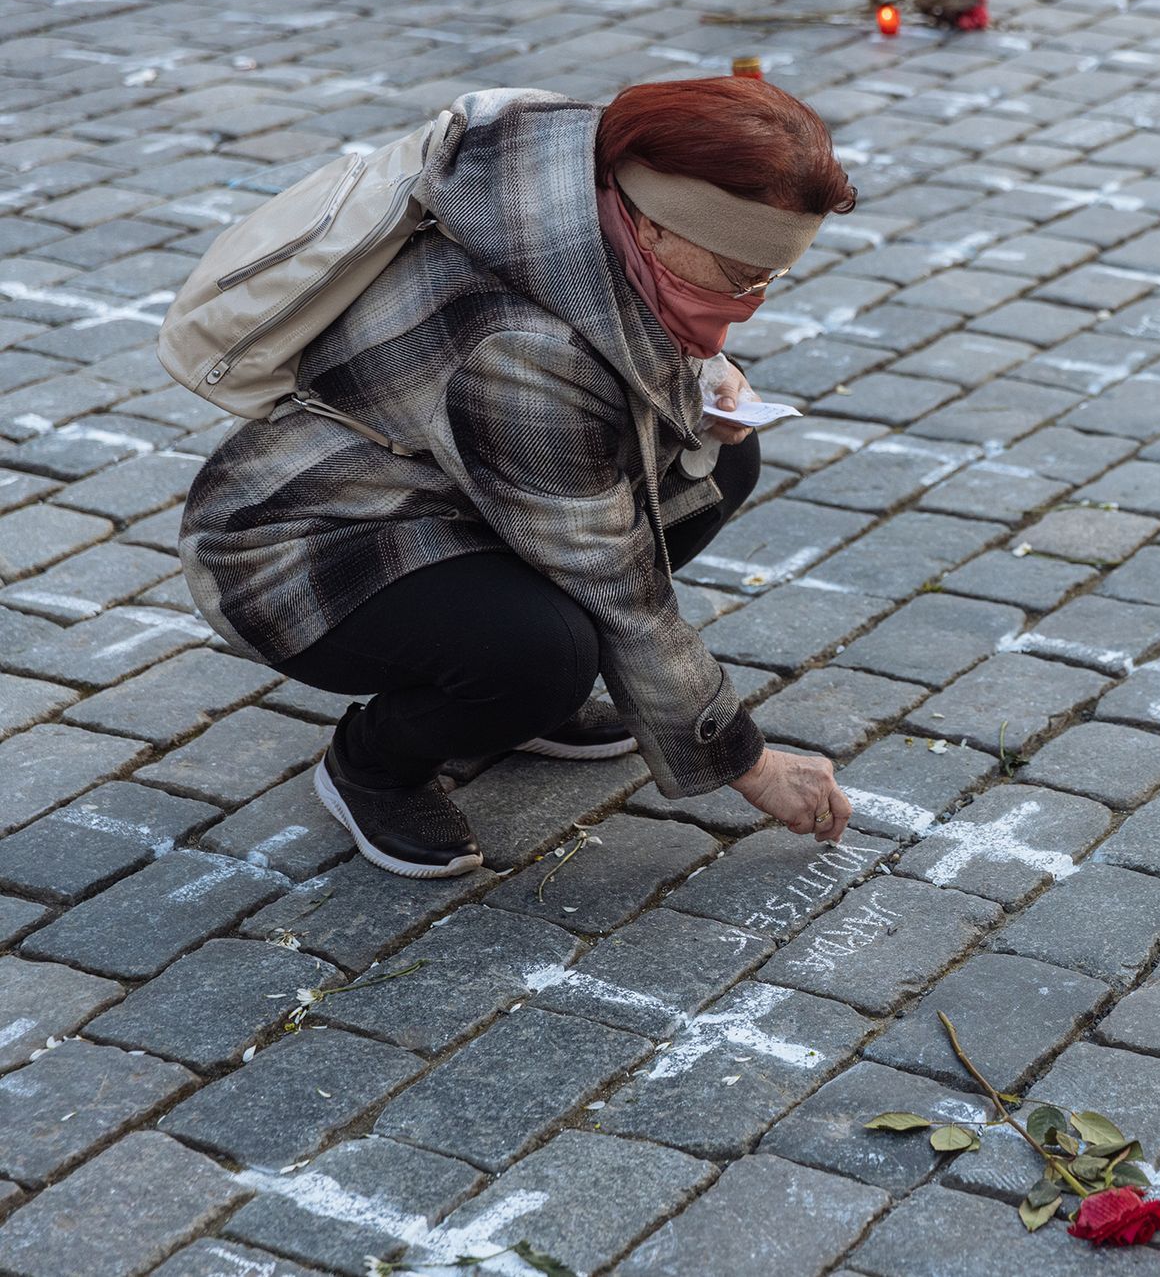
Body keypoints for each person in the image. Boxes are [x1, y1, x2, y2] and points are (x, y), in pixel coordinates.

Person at [177, 82, 856, 879]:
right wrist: (749, 763)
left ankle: (519, 699)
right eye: (740, 276)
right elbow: (617, 584)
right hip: (303, 542)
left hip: (449, 484)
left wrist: (704, 366)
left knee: (715, 453)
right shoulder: (524, 349)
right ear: (649, 223)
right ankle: (373, 762)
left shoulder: (580, 178)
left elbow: (622, 318)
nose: (750, 302)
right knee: (545, 650)